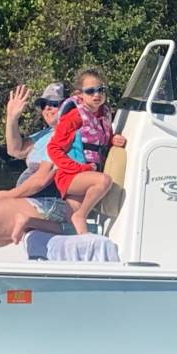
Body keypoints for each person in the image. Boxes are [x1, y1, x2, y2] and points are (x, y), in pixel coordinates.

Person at [0, 82, 77, 246]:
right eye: (44, 104)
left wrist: (7, 195)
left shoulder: (65, 133)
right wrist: (12, 118)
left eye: (54, 104)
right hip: (35, 201)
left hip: (49, 203)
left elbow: (42, 179)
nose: (47, 108)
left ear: (67, 106)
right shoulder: (46, 133)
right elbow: (15, 150)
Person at [48, 68, 127, 233]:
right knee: (103, 181)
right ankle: (82, 215)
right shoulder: (74, 117)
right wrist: (79, 168)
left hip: (87, 173)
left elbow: (101, 139)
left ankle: (81, 245)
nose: (96, 95)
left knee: (73, 225)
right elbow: (53, 149)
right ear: (80, 94)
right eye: (90, 91)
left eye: (101, 90)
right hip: (71, 174)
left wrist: (113, 140)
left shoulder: (103, 114)